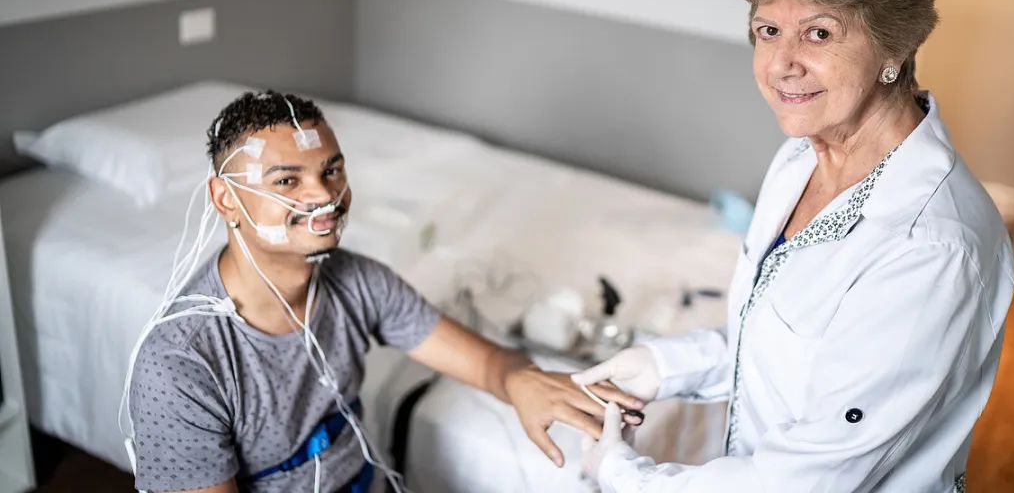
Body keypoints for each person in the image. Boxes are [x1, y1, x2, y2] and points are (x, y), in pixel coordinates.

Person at [575, 0, 1014, 492]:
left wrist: (620, 474)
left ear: (894, 42)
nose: (783, 63)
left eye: (818, 33)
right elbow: (786, 349)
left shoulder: (929, 246)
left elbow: (805, 479)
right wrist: (662, 365)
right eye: (768, 30)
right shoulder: (801, 158)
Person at [125, 91, 643, 492]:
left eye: (332, 170)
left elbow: (488, 364)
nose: (324, 195)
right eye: (287, 181)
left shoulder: (358, 282)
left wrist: (523, 381)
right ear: (225, 199)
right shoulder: (179, 364)